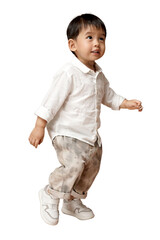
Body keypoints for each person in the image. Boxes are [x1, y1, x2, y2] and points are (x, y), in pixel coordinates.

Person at [29, 13, 143, 225]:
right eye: (89, 37)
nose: (97, 43)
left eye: (101, 38)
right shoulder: (69, 73)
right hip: (67, 133)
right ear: (73, 44)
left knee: (91, 167)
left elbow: (108, 95)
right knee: (73, 165)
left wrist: (125, 103)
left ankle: (72, 201)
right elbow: (50, 102)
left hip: (90, 136)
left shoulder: (98, 74)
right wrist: (39, 126)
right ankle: (50, 194)